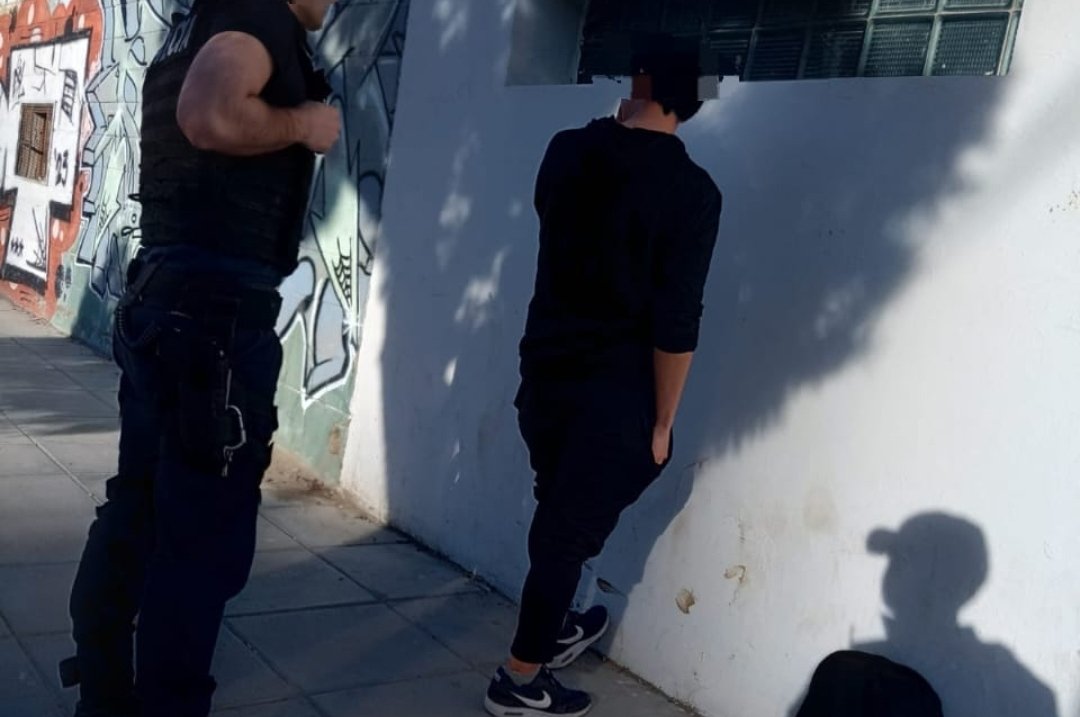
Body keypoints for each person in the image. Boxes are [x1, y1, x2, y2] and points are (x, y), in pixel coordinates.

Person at [62, 0, 340, 715]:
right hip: (216, 319)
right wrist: (303, 125)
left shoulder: (196, 20)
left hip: (167, 299)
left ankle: (104, 692)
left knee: (140, 506)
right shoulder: (260, 16)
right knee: (201, 542)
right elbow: (209, 115)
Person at [484, 48, 723, 717]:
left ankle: (555, 624)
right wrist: (663, 421)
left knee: (558, 506)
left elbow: (559, 227)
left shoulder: (565, 151)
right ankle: (519, 678)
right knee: (569, 530)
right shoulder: (693, 192)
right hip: (615, 391)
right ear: (692, 99)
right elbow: (677, 321)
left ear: (640, 82)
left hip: (545, 369)